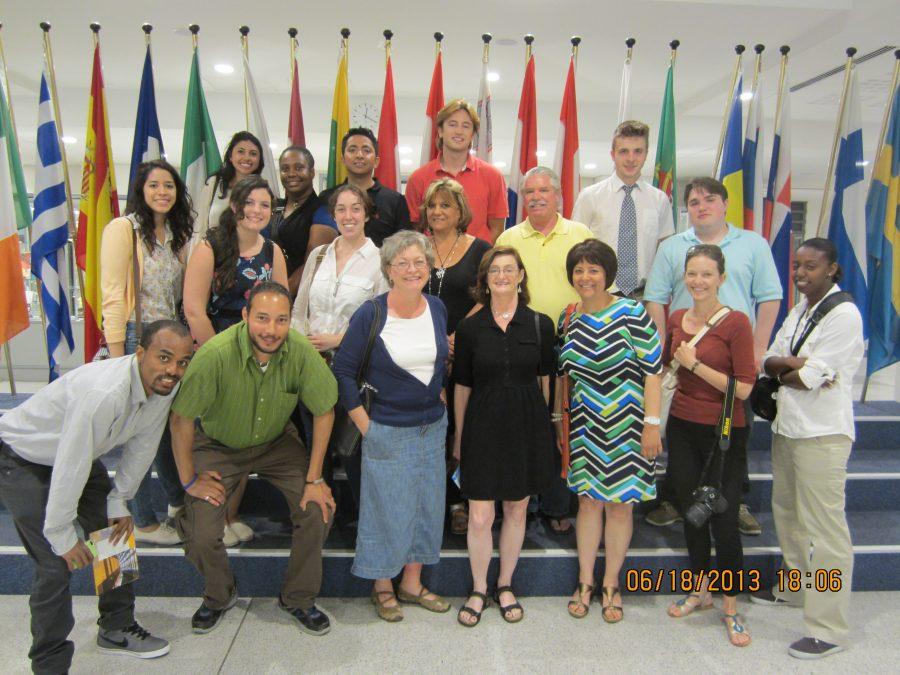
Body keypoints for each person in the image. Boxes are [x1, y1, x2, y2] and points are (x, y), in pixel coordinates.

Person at [0, 321, 194, 673]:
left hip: (76, 455)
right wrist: (61, 534)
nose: (173, 370)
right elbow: (70, 464)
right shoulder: (105, 393)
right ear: (140, 353)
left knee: (114, 535)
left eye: (182, 362)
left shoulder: (162, 388)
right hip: (22, 458)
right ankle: (49, 663)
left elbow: (143, 445)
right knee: (54, 564)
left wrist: (119, 499)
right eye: (164, 358)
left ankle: (116, 627)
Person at [171, 282, 338, 636]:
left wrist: (315, 478)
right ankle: (220, 595)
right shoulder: (215, 354)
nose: (271, 330)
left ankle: (298, 597)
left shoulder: (299, 351)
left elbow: (325, 410)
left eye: (280, 320)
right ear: (245, 316)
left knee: (317, 510)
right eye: (262, 318)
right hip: (218, 445)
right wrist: (188, 480)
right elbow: (181, 418)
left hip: (276, 443)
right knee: (201, 531)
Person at [644, 177, 782, 535]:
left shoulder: (753, 244)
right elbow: (657, 298)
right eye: (693, 202)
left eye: (709, 200)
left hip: (733, 359)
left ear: (724, 204)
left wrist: (757, 349)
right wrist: (664, 348)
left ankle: (731, 502)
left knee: (734, 435)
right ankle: (676, 498)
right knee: (681, 431)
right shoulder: (673, 247)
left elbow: (769, 297)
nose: (701, 206)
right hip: (684, 357)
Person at [752, 238, 863, 660]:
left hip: (823, 434)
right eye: (797, 265)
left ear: (832, 269)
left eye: (810, 266)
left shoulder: (844, 314)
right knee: (788, 514)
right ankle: (794, 589)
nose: (800, 273)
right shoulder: (799, 311)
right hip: (789, 428)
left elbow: (806, 379)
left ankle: (829, 627)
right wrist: (791, 366)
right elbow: (768, 359)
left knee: (826, 530)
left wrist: (793, 368)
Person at [331, 231, 451, 622]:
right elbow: (344, 372)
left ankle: (412, 584)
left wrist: (440, 394)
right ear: (388, 270)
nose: (412, 269)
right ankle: (382, 585)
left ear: (429, 267)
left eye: (419, 262)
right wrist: (367, 426)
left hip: (431, 428)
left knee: (426, 508)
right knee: (384, 510)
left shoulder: (436, 307)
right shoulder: (371, 313)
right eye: (403, 263)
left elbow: (438, 362)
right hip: (386, 427)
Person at [555, 239, 663, 623]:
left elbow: (654, 370)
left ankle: (611, 584)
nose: (586, 277)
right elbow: (563, 377)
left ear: (608, 275)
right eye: (579, 270)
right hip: (585, 426)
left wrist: (652, 425)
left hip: (630, 427)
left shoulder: (632, 312)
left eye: (594, 270)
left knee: (620, 506)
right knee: (587, 503)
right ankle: (585, 581)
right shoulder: (568, 317)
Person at [183, 175, 288, 546]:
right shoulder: (211, 246)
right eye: (251, 203)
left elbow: (281, 304)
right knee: (217, 439)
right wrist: (222, 361)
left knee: (246, 435)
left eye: (265, 204)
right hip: (216, 350)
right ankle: (211, 516)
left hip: (259, 354)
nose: (258, 211)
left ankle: (231, 514)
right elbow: (194, 310)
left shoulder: (272, 250)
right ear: (235, 206)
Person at [453, 246, 556, 626]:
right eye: (494, 270)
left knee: (516, 508)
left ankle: (505, 584)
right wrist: (459, 436)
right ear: (485, 279)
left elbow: (547, 381)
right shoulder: (469, 328)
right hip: (481, 423)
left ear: (521, 276)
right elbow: (462, 385)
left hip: (526, 424)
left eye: (508, 269)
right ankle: (479, 587)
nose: (501, 276)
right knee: (480, 515)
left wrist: (546, 427)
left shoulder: (540, 324)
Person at [662, 244, 756, 647]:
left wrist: (697, 363)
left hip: (724, 432)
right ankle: (699, 591)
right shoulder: (677, 318)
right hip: (682, 425)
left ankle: (731, 605)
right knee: (691, 513)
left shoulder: (736, 323)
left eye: (706, 274)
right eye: (692, 274)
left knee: (722, 516)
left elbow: (745, 388)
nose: (698, 281)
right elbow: (669, 368)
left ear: (721, 277)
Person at [100, 159, 193, 545]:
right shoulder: (124, 229)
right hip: (138, 340)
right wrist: (120, 355)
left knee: (162, 427)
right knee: (139, 431)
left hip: (170, 339)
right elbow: (113, 294)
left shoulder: (175, 234)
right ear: (141, 190)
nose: (162, 192)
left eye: (169, 186)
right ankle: (140, 519)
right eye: (154, 185)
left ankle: (177, 502)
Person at [496, 166, 593, 533]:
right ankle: (523, 500)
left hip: (571, 337)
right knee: (524, 422)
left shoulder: (579, 234)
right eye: (529, 191)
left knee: (562, 423)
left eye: (544, 190)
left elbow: (594, 282)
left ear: (558, 195)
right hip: (523, 337)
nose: (536, 196)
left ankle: (556, 505)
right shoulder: (509, 236)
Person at [291, 183, 389, 500]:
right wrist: (302, 345)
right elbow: (298, 308)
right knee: (314, 446)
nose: (348, 216)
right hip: (313, 365)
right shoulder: (319, 256)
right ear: (333, 215)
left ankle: (366, 522)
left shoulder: (380, 260)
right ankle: (321, 514)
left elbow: (381, 319)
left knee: (352, 450)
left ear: (367, 214)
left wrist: (337, 339)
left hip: (354, 368)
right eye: (341, 209)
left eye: (355, 208)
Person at [421, 178, 491, 535]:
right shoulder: (416, 246)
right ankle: (435, 498)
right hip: (421, 353)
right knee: (433, 426)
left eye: (445, 205)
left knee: (463, 427)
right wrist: (434, 340)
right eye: (432, 205)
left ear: (460, 210)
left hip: (465, 350)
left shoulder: (480, 248)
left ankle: (461, 500)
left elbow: (488, 294)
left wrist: (456, 336)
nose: (437, 212)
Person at [571, 120, 675, 297]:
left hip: (645, 296)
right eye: (623, 151)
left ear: (646, 154)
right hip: (600, 295)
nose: (631, 159)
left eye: (638, 151)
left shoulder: (660, 200)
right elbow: (575, 248)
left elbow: (664, 250)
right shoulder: (589, 196)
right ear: (613, 154)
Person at [405, 99, 508, 243]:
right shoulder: (418, 178)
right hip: (432, 261)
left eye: (466, 126)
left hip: (478, 263)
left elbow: (497, 229)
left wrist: (475, 255)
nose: (459, 131)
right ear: (440, 131)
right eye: (452, 124)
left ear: (472, 134)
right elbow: (415, 229)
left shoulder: (493, 176)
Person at [316, 127, 411, 248]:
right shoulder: (327, 198)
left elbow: (404, 248)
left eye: (366, 150)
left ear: (376, 161)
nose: (359, 155)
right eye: (352, 150)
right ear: (343, 159)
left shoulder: (395, 201)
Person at [270, 146, 338, 296]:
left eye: (299, 167)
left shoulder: (322, 212)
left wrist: (280, 297)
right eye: (285, 169)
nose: (291, 174)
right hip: (264, 294)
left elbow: (312, 266)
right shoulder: (274, 207)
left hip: (296, 300)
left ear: (312, 172)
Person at [194, 131, 265, 241]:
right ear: (230, 156)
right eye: (241, 151)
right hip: (212, 252)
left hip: (248, 254)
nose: (247, 157)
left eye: (253, 153)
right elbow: (200, 226)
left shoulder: (262, 190)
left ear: (259, 160)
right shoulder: (214, 183)